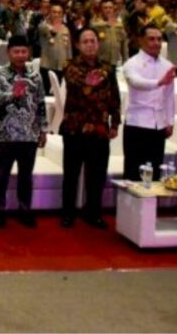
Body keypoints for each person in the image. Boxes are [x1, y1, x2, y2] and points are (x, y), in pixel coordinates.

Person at [59, 27, 121, 229]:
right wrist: (89, 81)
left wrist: (115, 122)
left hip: (100, 128)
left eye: (93, 40)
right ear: (77, 45)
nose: (90, 44)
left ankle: (93, 212)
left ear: (98, 43)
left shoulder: (108, 68)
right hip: (75, 128)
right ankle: (68, 213)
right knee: (71, 174)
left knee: (97, 174)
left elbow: (115, 98)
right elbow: (77, 83)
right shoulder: (69, 66)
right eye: (85, 41)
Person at [0, 35, 48, 228]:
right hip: (6, 132)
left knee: (25, 175)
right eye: (16, 51)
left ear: (29, 53)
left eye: (24, 52)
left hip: (29, 133)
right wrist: (12, 94)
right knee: (2, 174)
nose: (20, 55)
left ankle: (25, 209)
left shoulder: (35, 76)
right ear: (8, 53)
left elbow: (41, 103)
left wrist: (43, 129)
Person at [122, 24, 177, 181]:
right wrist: (159, 82)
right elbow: (136, 82)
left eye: (159, 39)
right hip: (137, 123)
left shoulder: (166, 65)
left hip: (159, 124)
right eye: (151, 39)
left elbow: (169, 96)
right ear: (141, 41)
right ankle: (130, 206)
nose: (156, 43)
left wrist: (170, 121)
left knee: (155, 171)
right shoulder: (132, 63)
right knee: (134, 172)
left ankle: (151, 205)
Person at [38, 4, 72, 93]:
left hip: (62, 65)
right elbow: (42, 29)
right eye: (54, 12)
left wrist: (69, 61)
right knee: (46, 92)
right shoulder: (44, 26)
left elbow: (68, 47)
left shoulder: (66, 29)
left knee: (60, 93)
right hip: (47, 65)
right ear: (50, 13)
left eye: (59, 12)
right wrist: (53, 28)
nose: (57, 14)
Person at [90, 0, 129, 66]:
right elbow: (92, 26)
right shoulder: (95, 23)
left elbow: (124, 44)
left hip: (116, 61)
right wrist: (107, 24)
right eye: (105, 8)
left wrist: (126, 61)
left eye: (110, 8)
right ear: (101, 10)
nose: (108, 10)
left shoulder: (119, 25)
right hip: (100, 62)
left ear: (113, 9)